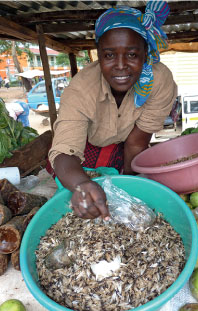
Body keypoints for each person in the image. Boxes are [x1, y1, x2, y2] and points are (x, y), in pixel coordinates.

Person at [48, 0, 177, 221]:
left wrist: (130, 191)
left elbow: (137, 142)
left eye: (132, 54)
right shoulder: (81, 90)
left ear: (145, 53)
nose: (120, 65)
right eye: (109, 55)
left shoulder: (159, 81)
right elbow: (64, 152)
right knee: (78, 189)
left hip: (126, 144)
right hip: (86, 145)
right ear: (98, 54)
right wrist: (81, 185)